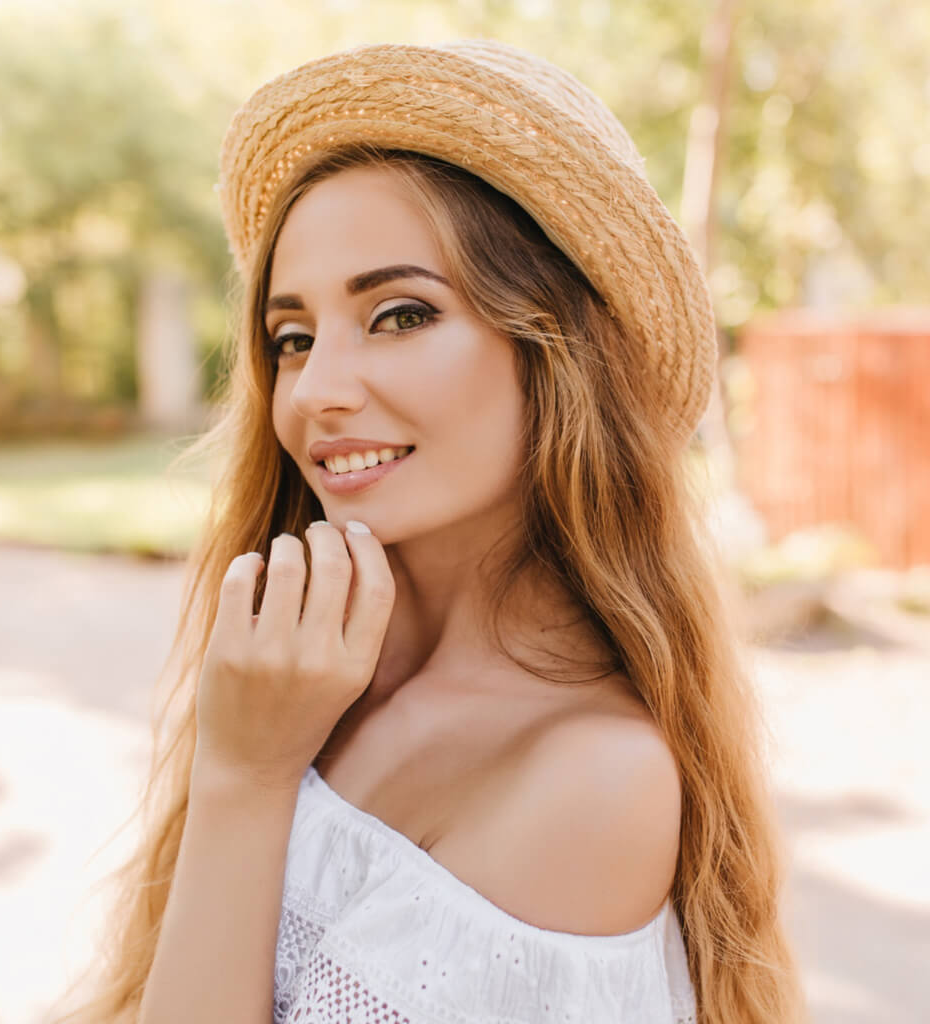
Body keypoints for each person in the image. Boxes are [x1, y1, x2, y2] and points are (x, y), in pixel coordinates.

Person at [53, 39, 807, 1024]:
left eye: (401, 314)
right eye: (293, 338)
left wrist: (244, 778)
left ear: (557, 351)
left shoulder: (592, 778)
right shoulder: (316, 674)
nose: (316, 391)